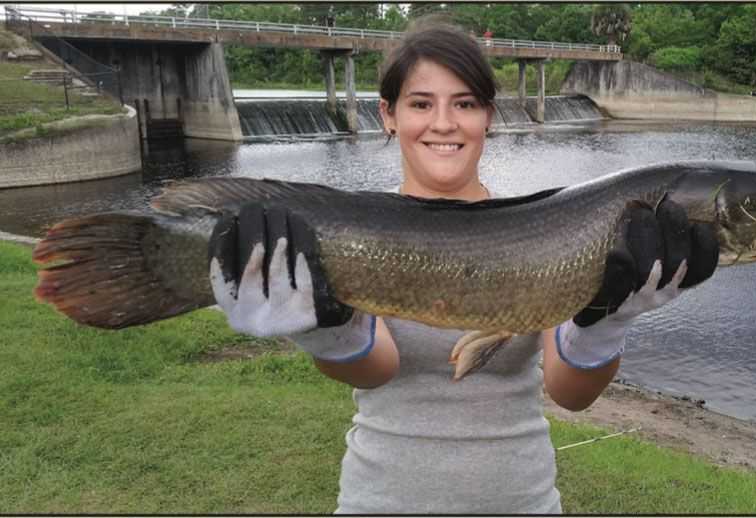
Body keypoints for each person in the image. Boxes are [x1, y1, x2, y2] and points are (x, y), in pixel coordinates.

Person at [207, 21, 719, 514]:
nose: (445, 123)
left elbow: (571, 394)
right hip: (379, 500)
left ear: (488, 116)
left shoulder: (549, 231)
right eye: (421, 103)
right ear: (388, 115)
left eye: (465, 104)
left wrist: (606, 324)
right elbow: (377, 368)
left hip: (523, 503)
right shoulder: (345, 235)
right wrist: (324, 333)